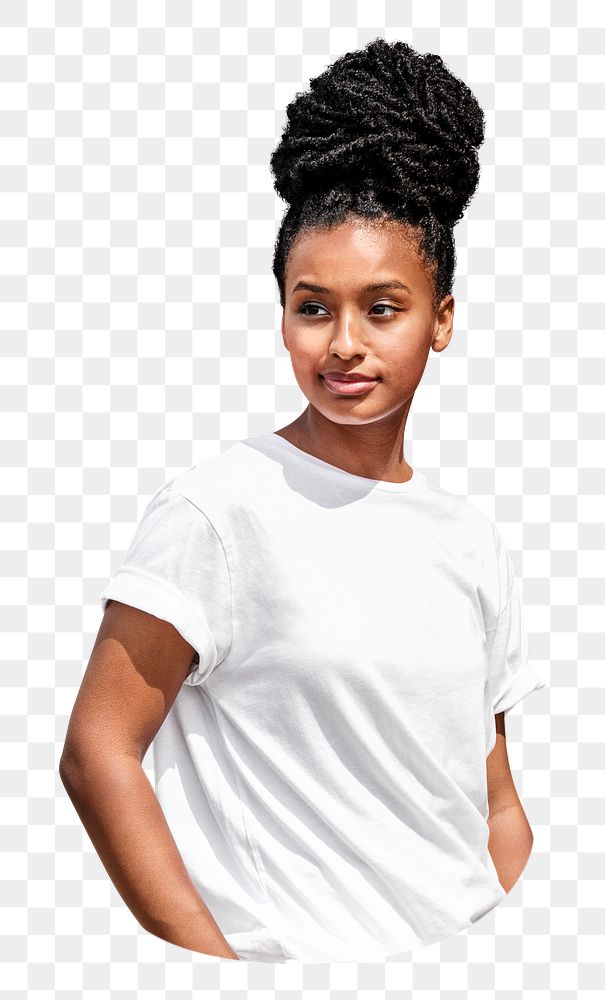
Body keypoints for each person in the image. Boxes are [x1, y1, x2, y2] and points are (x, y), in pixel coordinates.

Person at [59, 37, 548, 963]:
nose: (344, 342)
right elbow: (97, 752)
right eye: (312, 305)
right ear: (280, 310)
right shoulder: (220, 510)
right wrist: (219, 962)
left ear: (442, 319)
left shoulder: (469, 539)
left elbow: (491, 798)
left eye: (384, 306)